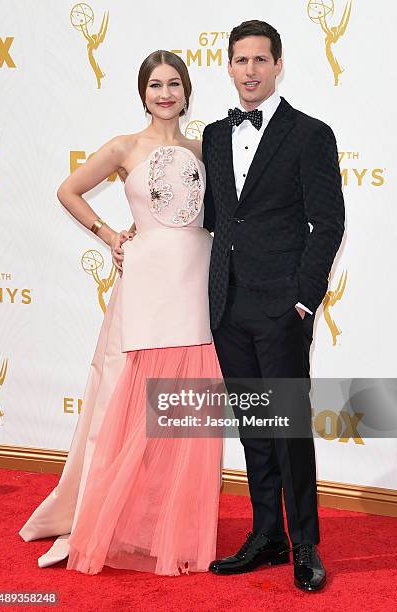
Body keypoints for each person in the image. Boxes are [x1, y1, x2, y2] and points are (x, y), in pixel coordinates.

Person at [18, 50, 223, 576]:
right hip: (146, 283)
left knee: (185, 413)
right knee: (121, 407)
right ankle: (90, 521)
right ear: (142, 92)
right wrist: (109, 235)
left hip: (195, 283)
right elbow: (68, 190)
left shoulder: (206, 151)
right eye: (155, 84)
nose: (165, 93)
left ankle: (171, 531)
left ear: (187, 90)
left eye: (174, 83)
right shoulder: (123, 146)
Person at [201, 20, 345, 592]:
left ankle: (306, 543)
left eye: (262, 60)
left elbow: (328, 222)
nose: (252, 70)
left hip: (283, 309)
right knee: (256, 429)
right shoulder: (214, 134)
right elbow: (214, 218)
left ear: (278, 64)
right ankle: (268, 535)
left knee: (288, 431)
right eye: (242, 60)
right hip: (228, 305)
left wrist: (304, 300)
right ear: (230, 66)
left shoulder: (310, 133)